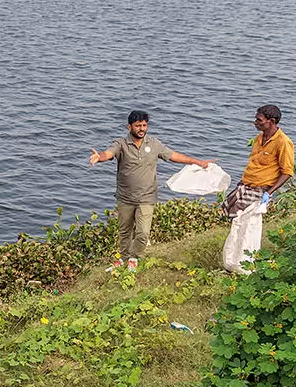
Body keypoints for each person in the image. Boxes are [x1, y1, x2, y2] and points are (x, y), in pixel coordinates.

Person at [89, 110, 214, 272]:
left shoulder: (154, 144)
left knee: (142, 233)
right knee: (124, 231)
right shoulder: (120, 144)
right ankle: (123, 259)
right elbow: (109, 153)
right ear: (129, 127)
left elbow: (173, 155)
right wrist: (99, 157)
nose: (141, 128)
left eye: (144, 125)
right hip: (125, 197)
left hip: (147, 197)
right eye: (138, 125)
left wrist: (196, 162)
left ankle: (134, 258)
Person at [224, 105, 295, 216]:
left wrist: (268, 193)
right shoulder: (259, 138)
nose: (255, 122)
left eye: (259, 120)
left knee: (236, 215)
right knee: (225, 208)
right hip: (245, 185)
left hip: (261, 189)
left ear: (271, 121)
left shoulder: (283, 142)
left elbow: (287, 172)